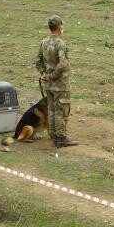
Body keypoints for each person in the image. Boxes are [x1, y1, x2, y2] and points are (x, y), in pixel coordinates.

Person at [37, 15, 76, 147]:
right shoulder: (60, 43)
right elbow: (63, 63)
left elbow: (38, 61)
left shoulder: (44, 42)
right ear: (59, 26)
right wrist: (52, 76)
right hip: (60, 84)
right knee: (61, 111)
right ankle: (61, 138)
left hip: (48, 84)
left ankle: (53, 135)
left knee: (52, 110)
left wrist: (44, 74)